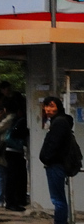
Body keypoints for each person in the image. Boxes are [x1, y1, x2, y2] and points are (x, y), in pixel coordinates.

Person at [40, 96, 73, 224]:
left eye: (52, 106)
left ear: (58, 107)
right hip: (57, 163)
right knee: (58, 198)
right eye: (46, 106)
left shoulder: (59, 122)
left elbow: (54, 143)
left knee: (58, 200)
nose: (48, 109)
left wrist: (45, 158)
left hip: (56, 164)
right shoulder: (60, 121)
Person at [4, 99, 28, 212]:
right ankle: (12, 201)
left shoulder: (13, 120)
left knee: (12, 177)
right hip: (15, 150)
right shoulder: (21, 121)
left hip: (10, 150)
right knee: (14, 177)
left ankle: (12, 200)